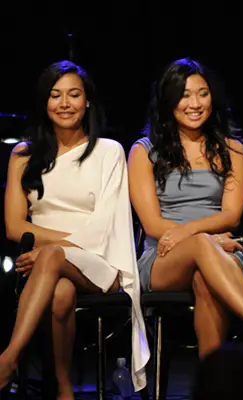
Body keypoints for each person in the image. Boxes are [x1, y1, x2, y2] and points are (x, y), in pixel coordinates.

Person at [128, 57, 243, 363]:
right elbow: (153, 225)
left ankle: (214, 385)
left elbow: (232, 216)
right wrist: (205, 239)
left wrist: (204, 240)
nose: (195, 103)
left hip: (221, 252)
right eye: (184, 95)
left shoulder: (232, 148)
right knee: (199, 245)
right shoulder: (143, 151)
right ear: (169, 101)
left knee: (205, 282)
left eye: (202, 93)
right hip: (164, 256)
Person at [1, 60, 149, 397]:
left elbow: (106, 224)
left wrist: (49, 250)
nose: (64, 104)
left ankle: (8, 359)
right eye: (55, 95)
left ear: (88, 102)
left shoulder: (109, 152)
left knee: (53, 258)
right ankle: (64, 390)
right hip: (45, 267)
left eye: (73, 95)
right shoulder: (23, 155)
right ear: (45, 102)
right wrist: (52, 252)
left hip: (101, 260)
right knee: (62, 292)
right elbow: (13, 226)